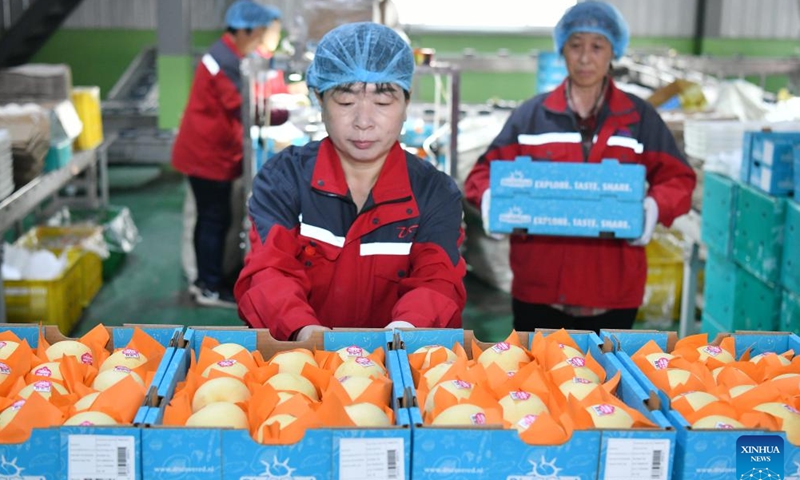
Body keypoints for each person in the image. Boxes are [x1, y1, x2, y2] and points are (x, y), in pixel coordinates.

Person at [464, 1, 696, 333]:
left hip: (613, 292)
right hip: (540, 290)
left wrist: (654, 207)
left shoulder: (639, 118)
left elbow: (679, 178)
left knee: (606, 382)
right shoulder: (531, 116)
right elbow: (481, 174)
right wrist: (491, 199)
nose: (585, 57)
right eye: (576, 45)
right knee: (536, 379)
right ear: (562, 50)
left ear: (613, 51)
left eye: (597, 46)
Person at [235, 22, 467, 341]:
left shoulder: (433, 193)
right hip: (301, 362)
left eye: (383, 103)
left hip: (398, 363)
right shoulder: (284, 180)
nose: (363, 121)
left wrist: (402, 339)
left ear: (406, 102)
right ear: (320, 99)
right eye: (345, 101)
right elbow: (268, 271)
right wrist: (306, 335)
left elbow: (437, 280)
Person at [172, 0, 281, 308]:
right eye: (260, 31)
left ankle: (211, 276)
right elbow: (241, 107)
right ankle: (206, 285)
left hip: (213, 152)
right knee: (212, 218)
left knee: (215, 217)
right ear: (244, 29)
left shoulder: (230, 54)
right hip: (206, 156)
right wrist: (276, 113)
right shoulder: (223, 61)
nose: (261, 37)